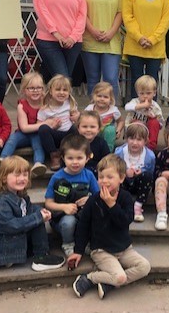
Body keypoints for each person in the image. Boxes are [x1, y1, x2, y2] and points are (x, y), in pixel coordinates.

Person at [69, 154, 151, 300]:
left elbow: (125, 221)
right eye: (101, 177)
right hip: (101, 250)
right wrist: (78, 251)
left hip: (124, 249)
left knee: (145, 267)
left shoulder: (125, 198)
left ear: (121, 178)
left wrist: (112, 205)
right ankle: (88, 278)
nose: (104, 181)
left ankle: (108, 283)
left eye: (109, 177)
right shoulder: (93, 199)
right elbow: (83, 225)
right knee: (119, 276)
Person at [0, 156, 65, 270]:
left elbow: (30, 209)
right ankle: (41, 257)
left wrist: (42, 211)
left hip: (14, 243)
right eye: (17, 175)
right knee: (36, 220)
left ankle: (38, 253)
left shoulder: (21, 196)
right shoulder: (2, 201)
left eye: (25, 175)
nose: (22, 178)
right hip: (3, 250)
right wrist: (38, 217)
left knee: (37, 217)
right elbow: (10, 225)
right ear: (3, 178)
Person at [122, 0, 169, 98]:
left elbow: (166, 18)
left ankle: (151, 117)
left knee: (152, 83)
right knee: (136, 83)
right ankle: (135, 116)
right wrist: (139, 37)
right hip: (135, 45)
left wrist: (153, 39)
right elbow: (127, 16)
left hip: (155, 46)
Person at [79, 0, 126, 95]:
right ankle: (94, 115)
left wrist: (111, 32)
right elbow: (80, 10)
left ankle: (111, 114)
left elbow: (121, 12)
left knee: (111, 79)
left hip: (111, 42)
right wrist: (92, 30)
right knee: (92, 80)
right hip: (90, 40)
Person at [44, 135, 100, 257]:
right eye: (70, 158)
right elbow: (48, 203)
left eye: (79, 158)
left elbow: (99, 197)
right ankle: (68, 243)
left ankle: (86, 242)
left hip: (83, 215)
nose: (75, 162)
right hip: (62, 218)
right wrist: (64, 207)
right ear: (63, 158)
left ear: (87, 158)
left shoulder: (89, 175)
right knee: (69, 222)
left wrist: (89, 198)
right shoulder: (57, 177)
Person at [0, 71, 48, 178]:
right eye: (31, 88)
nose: (35, 91)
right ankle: (3, 159)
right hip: (23, 134)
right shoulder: (22, 105)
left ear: (43, 89)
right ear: (24, 90)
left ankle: (38, 163)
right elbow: (24, 128)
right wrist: (46, 123)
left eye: (39, 88)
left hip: (37, 134)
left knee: (38, 145)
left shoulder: (46, 103)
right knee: (12, 139)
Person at [115, 123, 156, 223]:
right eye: (131, 139)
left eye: (139, 140)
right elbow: (114, 169)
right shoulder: (119, 152)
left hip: (139, 185)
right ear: (126, 139)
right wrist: (124, 171)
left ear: (145, 141)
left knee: (147, 176)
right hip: (124, 183)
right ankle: (122, 204)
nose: (134, 143)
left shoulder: (150, 156)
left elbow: (152, 172)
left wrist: (142, 171)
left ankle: (138, 206)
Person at [37, 74, 79, 170]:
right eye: (58, 89)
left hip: (68, 136)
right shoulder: (45, 109)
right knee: (43, 129)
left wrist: (78, 117)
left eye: (65, 90)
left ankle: (70, 154)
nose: (61, 92)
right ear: (51, 91)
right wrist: (52, 126)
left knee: (75, 128)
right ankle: (54, 156)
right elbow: (38, 125)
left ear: (69, 92)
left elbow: (77, 119)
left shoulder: (70, 104)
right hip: (54, 136)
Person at [124, 75, 165, 151]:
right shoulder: (135, 101)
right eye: (142, 93)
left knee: (154, 122)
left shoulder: (155, 106)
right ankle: (132, 143)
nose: (145, 96)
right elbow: (127, 107)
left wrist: (154, 118)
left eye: (148, 93)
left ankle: (150, 148)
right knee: (136, 122)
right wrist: (140, 106)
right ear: (137, 93)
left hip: (147, 133)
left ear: (154, 93)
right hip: (133, 130)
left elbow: (161, 124)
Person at [85, 82, 124, 152]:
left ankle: (108, 152)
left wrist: (118, 130)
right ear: (94, 96)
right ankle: (87, 150)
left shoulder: (113, 110)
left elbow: (120, 121)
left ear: (111, 99)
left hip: (106, 133)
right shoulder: (89, 109)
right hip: (92, 131)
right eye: (99, 96)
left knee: (110, 130)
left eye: (105, 97)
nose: (102, 99)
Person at [76, 110, 111, 177]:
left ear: (98, 129)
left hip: (96, 174)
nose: (88, 130)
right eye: (84, 126)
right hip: (77, 173)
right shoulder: (73, 143)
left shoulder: (102, 143)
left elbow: (107, 162)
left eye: (92, 127)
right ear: (78, 128)